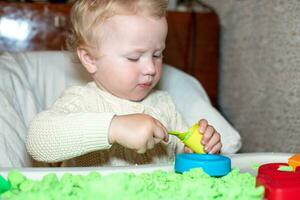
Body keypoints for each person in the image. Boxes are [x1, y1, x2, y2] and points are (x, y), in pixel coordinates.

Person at [26, 0, 222, 167]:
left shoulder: (164, 105)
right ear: (90, 59)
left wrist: (198, 150)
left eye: (157, 55)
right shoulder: (83, 102)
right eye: (134, 58)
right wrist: (113, 128)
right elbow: (37, 141)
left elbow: (180, 162)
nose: (150, 69)